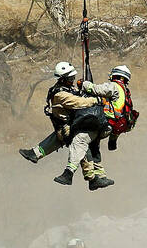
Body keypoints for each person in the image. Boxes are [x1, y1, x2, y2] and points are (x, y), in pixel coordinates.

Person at [18, 61, 114, 191]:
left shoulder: (66, 89)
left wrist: (84, 87)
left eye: (73, 77)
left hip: (68, 126)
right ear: (62, 79)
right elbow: (78, 102)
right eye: (70, 78)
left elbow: (77, 95)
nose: (72, 80)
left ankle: (35, 153)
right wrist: (96, 100)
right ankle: (91, 178)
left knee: (71, 140)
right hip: (68, 128)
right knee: (82, 143)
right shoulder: (60, 94)